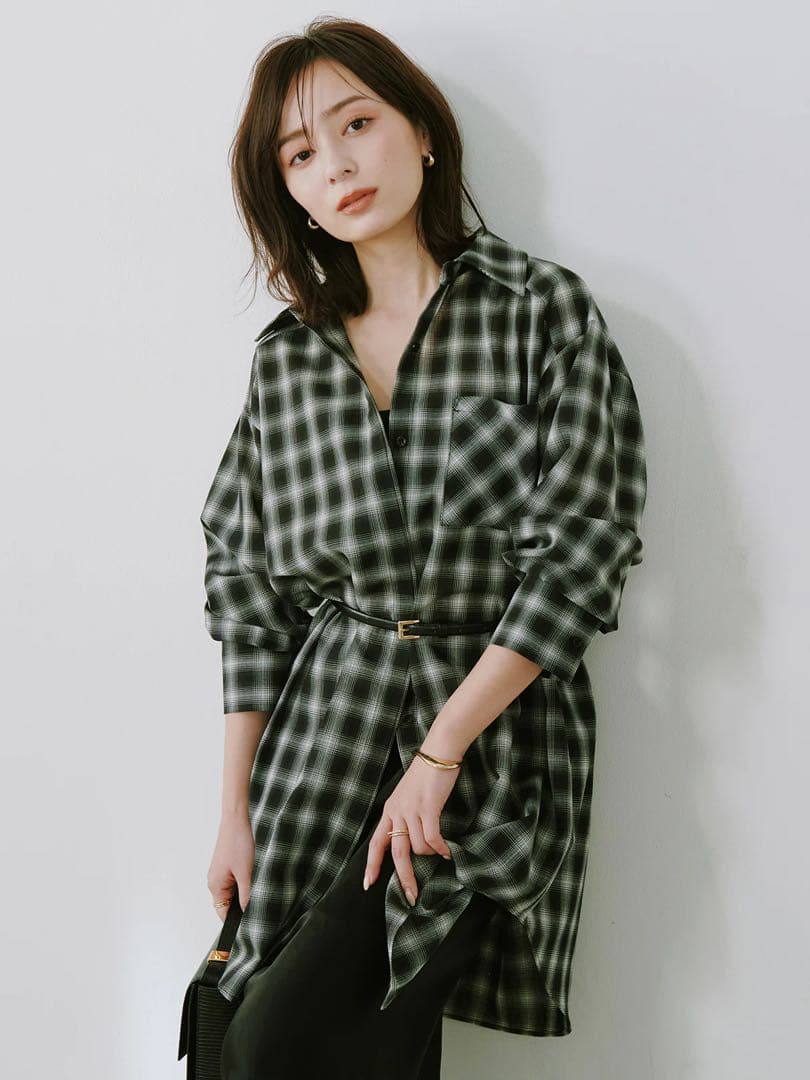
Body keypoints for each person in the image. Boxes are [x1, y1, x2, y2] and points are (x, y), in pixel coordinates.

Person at [197, 15, 648, 1079]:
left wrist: (438, 755)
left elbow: (582, 554)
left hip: (487, 751)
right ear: (290, 195)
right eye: (299, 154)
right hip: (320, 741)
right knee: (246, 1036)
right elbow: (248, 595)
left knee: (282, 1049)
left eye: (356, 124)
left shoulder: (541, 313)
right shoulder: (289, 361)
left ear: (425, 133)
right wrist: (233, 813)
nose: (336, 164)